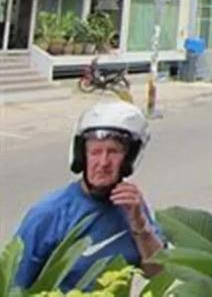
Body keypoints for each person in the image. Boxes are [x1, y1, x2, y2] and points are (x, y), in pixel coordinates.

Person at [14, 101, 164, 290]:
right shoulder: (49, 213)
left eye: (113, 152)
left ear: (128, 159)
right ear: (82, 156)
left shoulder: (133, 207)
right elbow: (13, 284)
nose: (103, 162)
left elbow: (159, 274)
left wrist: (140, 226)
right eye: (95, 152)